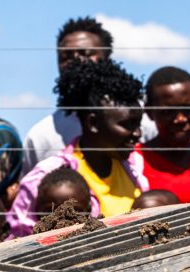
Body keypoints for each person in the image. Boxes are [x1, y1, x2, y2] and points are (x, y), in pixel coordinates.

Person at [9, 58, 147, 238]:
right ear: (93, 123)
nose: (137, 133)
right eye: (127, 124)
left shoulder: (134, 169)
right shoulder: (45, 178)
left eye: (138, 124)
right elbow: (19, 241)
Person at [22, 17, 156, 172]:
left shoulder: (141, 121)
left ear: (107, 58)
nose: (76, 61)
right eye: (66, 57)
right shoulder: (41, 136)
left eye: (86, 53)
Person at [136, 67, 190, 204]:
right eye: (168, 112)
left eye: (188, 109)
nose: (180, 119)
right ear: (149, 111)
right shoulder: (133, 164)